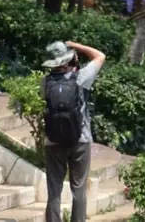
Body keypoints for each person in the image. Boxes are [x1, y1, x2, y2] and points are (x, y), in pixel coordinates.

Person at [42, 39, 106, 222]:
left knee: (54, 188)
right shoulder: (81, 77)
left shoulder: (45, 82)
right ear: (68, 59)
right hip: (81, 140)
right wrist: (76, 46)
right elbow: (100, 56)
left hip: (53, 141)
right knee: (78, 187)